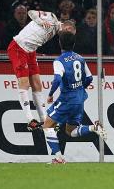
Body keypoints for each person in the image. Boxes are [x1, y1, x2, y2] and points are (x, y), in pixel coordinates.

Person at [43, 31, 106, 164]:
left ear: (59, 43)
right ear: (74, 43)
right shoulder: (80, 58)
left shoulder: (59, 61)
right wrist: (80, 88)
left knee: (47, 125)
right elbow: (89, 77)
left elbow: (57, 79)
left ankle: (59, 158)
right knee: (70, 131)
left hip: (67, 99)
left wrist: (50, 94)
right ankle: (93, 128)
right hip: (79, 98)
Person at [7, 10, 75, 131]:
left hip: (31, 51)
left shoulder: (55, 31)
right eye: (70, 34)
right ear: (67, 28)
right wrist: (40, 21)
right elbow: (31, 12)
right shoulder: (51, 17)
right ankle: (30, 120)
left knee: (37, 85)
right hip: (18, 47)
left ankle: (44, 120)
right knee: (24, 83)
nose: (69, 37)